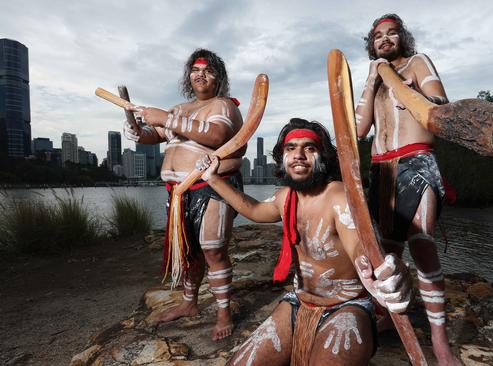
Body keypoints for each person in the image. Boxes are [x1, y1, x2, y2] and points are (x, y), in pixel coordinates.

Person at [197, 118, 412, 365]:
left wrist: (379, 271)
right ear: (282, 159)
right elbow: (255, 210)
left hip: (347, 307)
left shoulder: (340, 195)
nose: (299, 155)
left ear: (323, 157)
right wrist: (213, 179)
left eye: (309, 148)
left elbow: (359, 246)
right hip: (298, 302)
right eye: (291, 148)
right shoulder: (285, 197)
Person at [355, 14, 462, 366]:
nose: (385, 39)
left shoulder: (417, 63)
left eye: (391, 34)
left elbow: (438, 106)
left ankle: (439, 341)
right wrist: (374, 80)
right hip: (380, 169)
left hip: (416, 162)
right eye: (378, 36)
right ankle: (388, 317)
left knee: (423, 246)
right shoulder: (372, 77)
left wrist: (396, 79)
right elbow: (358, 130)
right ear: (372, 44)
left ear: (402, 38)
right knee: (387, 253)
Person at [123, 48, 245, 341]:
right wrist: (137, 129)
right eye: (195, 69)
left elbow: (216, 136)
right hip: (178, 192)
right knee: (189, 252)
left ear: (219, 77)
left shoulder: (224, 106)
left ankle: (223, 313)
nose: (200, 74)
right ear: (188, 76)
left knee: (213, 250)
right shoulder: (179, 108)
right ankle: (189, 303)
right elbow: (155, 136)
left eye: (208, 70)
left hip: (210, 186)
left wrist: (165, 118)